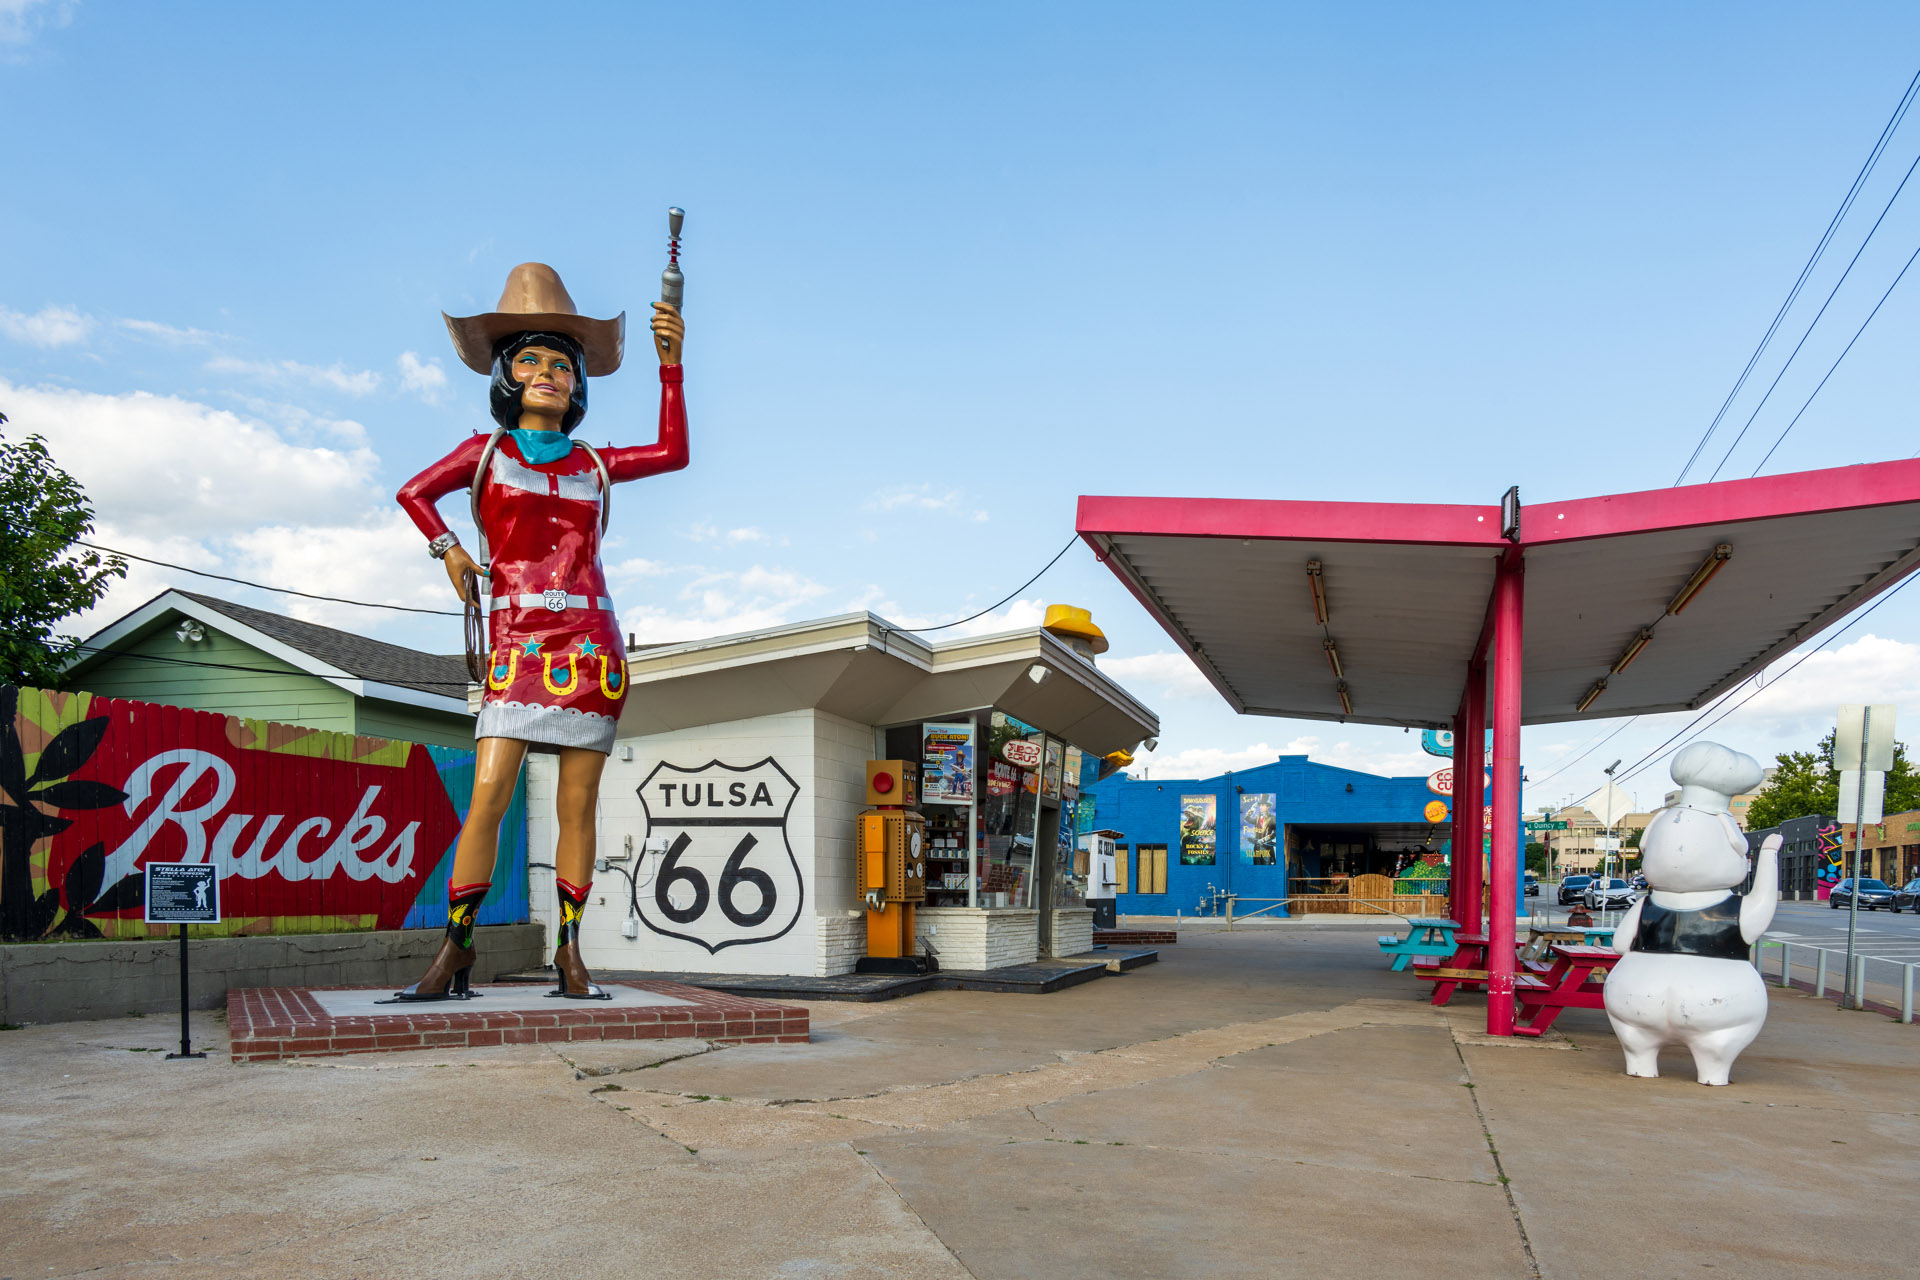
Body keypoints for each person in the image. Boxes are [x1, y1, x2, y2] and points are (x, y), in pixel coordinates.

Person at [386, 263, 687, 1001]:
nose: (548, 373)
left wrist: (671, 369)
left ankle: (571, 951)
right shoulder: (483, 453)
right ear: (506, 374)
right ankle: (457, 948)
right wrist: (448, 548)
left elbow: (674, 453)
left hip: (591, 644)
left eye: (562, 363)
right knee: (489, 793)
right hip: (518, 640)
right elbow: (413, 492)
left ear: (577, 382)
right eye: (531, 361)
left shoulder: (596, 463)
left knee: (578, 806)